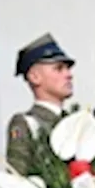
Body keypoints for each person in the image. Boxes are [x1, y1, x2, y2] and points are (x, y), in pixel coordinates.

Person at [6, 33, 76, 168]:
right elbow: (19, 179)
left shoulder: (74, 122)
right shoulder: (27, 123)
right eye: (59, 68)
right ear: (34, 77)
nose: (69, 75)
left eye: (67, 69)